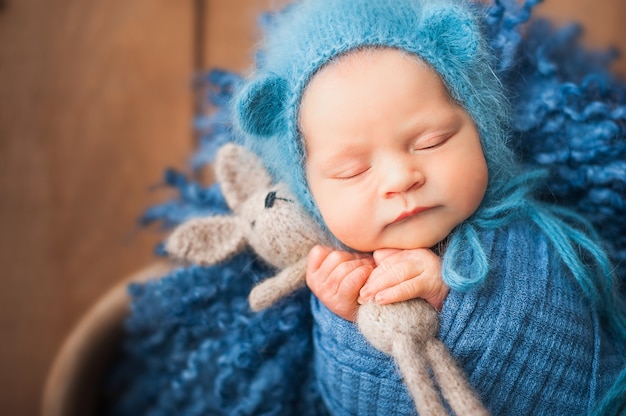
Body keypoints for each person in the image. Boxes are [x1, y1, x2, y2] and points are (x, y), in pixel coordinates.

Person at [233, 0, 626, 414]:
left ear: (482, 131)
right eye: (352, 171)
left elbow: (577, 353)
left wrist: (453, 291)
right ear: (309, 192)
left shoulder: (530, 242)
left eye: (431, 142)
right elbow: (344, 401)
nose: (401, 178)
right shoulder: (339, 278)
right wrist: (353, 320)